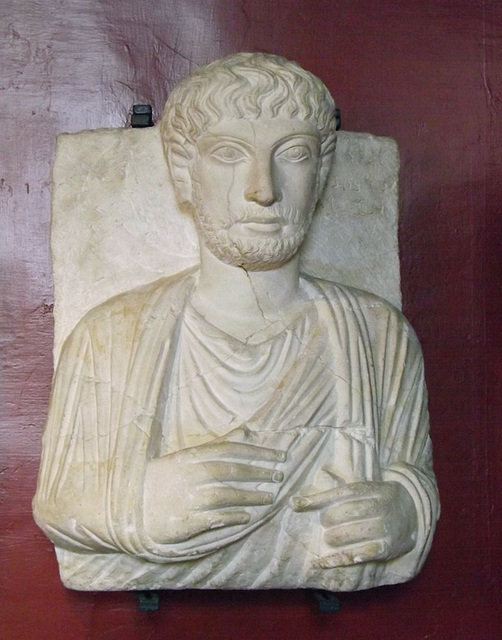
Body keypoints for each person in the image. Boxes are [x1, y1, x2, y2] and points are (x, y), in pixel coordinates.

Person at [33, 53, 439, 592]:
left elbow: (413, 477)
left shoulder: (378, 336)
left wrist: (406, 510)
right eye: (228, 153)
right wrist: (136, 507)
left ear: (320, 177)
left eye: (292, 154)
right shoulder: (109, 335)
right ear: (183, 174)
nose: (262, 190)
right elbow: (56, 503)